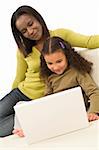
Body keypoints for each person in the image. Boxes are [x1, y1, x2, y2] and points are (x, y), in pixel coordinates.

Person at [1, 5, 99, 137]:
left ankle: (25, 122)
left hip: (38, 99)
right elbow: (19, 78)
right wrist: (12, 102)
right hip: (20, 92)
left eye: (31, 24)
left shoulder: (60, 36)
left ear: (38, 18)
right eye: (24, 31)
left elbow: (89, 41)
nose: (30, 31)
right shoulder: (23, 50)